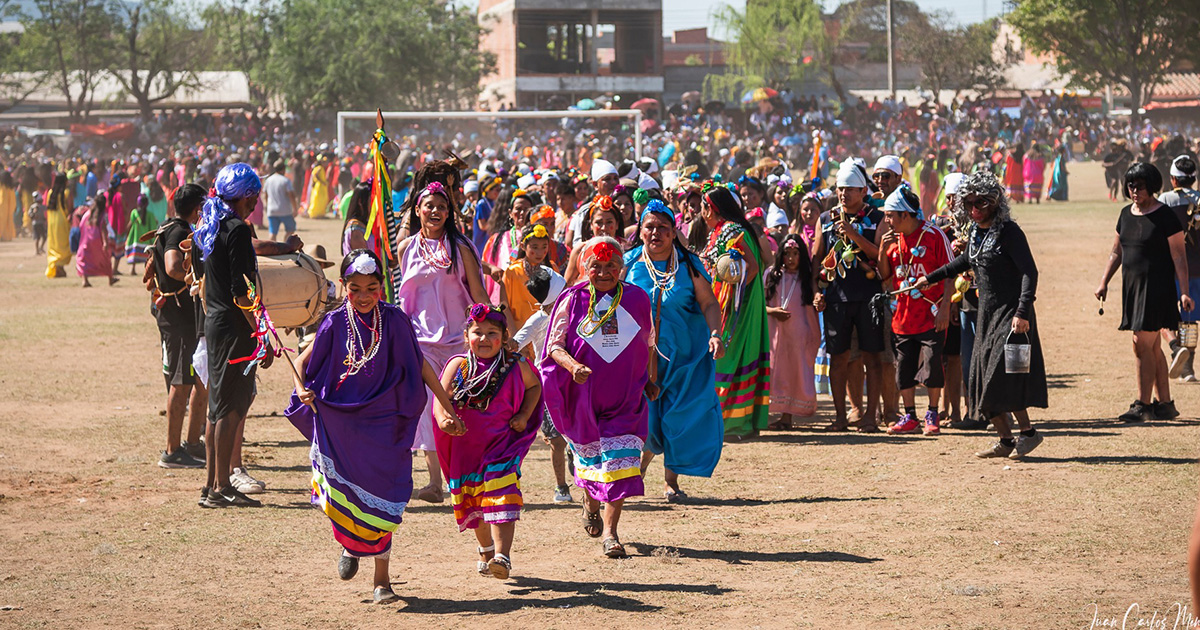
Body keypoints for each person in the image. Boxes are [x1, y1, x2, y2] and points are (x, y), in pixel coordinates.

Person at [288, 249, 462, 605]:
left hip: (388, 427)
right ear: (343, 286)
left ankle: (382, 580)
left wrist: (448, 408)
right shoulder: (334, 322)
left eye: (371, 288)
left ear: (383, 287)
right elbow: (300, 362)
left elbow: (423, 368)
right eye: (355, 289)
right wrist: (302, 388)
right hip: (344, 425)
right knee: (344, 494)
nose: (364, 296)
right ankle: (349, 545)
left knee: (386, 500)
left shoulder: (396, 321)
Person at [916, 171, 1047, 459]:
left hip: (1013, 316)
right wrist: (931, 278)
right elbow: (963, 261)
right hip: (986, 316)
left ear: (995, 203)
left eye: (981, 204)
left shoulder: (1010, 233)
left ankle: (1028, 434)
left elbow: (1029, 272)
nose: (975, 210)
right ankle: (1006, 440)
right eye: (970, 204)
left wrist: (1022, 311)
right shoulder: (976, 232)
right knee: (978, 379)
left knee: (1002, 377)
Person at [540, 236, 654, 558]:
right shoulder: (572, 300)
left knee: (617, 465)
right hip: (584, 401)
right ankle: (590, 504)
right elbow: (554, 346)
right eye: (596, 266)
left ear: (621, 267)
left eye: (611, 266)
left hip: (625, 400)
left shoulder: (636, 299)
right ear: (584, 267)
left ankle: (611, 534)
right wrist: (573, 366)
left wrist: (650, 381)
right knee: (592, 468)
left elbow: (648, 342)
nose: (604, 272)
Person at [395, 181, 491, 504]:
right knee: (426, 411)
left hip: (458, 342)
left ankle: (463, 478)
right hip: (419, 342)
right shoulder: (406, 247)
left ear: (449, 212)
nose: (435, 211)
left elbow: (478, 292)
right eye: (429, 206)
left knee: (461, 407)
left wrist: (492, 328)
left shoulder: (460, 248)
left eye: (442, 207)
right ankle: (435, 482)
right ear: (418, 210)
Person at [433, 303, 542, 580]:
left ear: (505, 336)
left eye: (492, 332)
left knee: (501, 494)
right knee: (474, 504)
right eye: (477, 332)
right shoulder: (458, 365)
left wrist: (525, 413)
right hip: (465, 449)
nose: (483, 339)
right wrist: (445, 419)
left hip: (502, 447)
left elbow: (534, 386)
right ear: (466, 336)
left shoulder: (516, 365)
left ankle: (503, 557)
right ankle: (487, 549)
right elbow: (439, 398)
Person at [625, 200, 725, 500]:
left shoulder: (688, 265)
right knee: (646, 417)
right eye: (650, 227)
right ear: (640, 231)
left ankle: (671, 480)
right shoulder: (627, 264)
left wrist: (715, 334)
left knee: (677, 417)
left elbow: (708, 303)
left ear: (673, 233)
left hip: (686, 357)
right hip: (640, 359)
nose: (656, 233)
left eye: (663, 228)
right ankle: (636, 471)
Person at [195, 163, 271, 508]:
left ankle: (212, 483)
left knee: (218, 408)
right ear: (247, 196)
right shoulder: (238, 229)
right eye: (254, 195)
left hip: (217, 324)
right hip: (235, 328)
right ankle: (222, 486)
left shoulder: (213, 225)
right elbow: (243, 293)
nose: (256, 201)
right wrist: (260, 332)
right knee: (231, 409)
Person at [1096, 162, 1193, 423]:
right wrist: (1104, 281)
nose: (1134, 190)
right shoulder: (1126, 214)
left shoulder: (1165, 216)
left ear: (1152, 186)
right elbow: (1117, 251)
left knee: (1141, 345)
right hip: (1133, 288)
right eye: (1131, 185)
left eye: (1140, 185)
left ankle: (1143, 405)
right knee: (1152, 347)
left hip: (1157, 289)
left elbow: (1179, 256)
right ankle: (1165, 405)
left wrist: (1184, 291)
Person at [812, 164, 886, 432]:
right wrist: (817, 292)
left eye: (850, 189)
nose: (843, 194)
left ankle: (870, 416)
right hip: (836, 299)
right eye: (840, 189)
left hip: (870, 298)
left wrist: (853, 234)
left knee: (872, 358)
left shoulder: (878, 218)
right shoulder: (825, 219)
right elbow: (815, 261)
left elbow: (880, 256)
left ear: (864, 191)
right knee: (838, 358)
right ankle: (841, 416)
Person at [877, 187, 953, 436]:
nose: (887, 220)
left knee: (932, 365)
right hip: (903, 316)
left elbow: (951, 272)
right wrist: (881, 250)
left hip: (932, 314)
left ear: (905, 215)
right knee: (904, 368)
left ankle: (932, 413)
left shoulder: (934, 236)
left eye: (890, 215)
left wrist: (945, 308)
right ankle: (910, 417)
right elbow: (885, 277)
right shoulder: (893, 239)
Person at [699, 184, 771, 440]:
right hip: (729, 301)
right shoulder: (722, 230)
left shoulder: (733, 231)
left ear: (712, 208)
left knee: (728, 356)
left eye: (703, 207)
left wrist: (734, 296)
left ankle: (732, 423)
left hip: (736, 305)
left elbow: (752, 266)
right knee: (731, 356)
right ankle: (734, 421)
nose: (700, 213)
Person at [151, 184, 208, 468]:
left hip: (176, 315)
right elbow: (173, 266)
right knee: (180, 382)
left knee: (191, 380)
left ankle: (191, 445)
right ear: (198, 208)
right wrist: (195, 274)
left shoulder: (166, 226)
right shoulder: (179, 232)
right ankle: (172, 451)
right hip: (180, 317)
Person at [510, 265, 572, 503]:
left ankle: (576, 460)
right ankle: (561, 486)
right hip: (547, 387)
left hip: (574, 383)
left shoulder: (577, 312)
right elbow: (516, 343)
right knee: (555, 439)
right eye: (564, 292)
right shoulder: (538, 320)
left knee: (576, 437)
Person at [763, 233, 820, 428]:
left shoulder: (806, 278)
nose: (791, 258)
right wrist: (772, 311)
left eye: (796, 253)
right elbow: (759, 304)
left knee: (795, 372)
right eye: (787, 253)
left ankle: (787, 417)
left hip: (799, 335)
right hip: (775, 336)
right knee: (774, 371)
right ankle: (767, 415)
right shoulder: (771, 275)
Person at [1162, 156, 1200, 382]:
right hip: (1197, 270)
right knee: (1189, 318)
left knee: (1162, 318)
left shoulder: (1164, 200)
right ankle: (1188, 370)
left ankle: (1176, 349)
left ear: (1173, 179)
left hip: (1170, 270)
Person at [76, 193, 117, 288]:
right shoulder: (102, 215)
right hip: (99, 241)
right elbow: (103, 228)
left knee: (85, 260)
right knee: (105, 259)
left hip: (87, 241)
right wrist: (106, 242)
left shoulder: (88, 214)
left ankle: (85, 280)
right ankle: (110, 279)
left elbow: (81, 225)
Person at [44, 173, 72, 279]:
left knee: (55, 244)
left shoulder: (50, 193)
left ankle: (58, 266)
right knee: (64, 245)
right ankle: (60, 267)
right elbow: (70, 207)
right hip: (63, 221)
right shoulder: (66, 192)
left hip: (52, 222)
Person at [262, 160, 298, 241]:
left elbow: (265, 194)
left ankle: (272, 250)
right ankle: (285, 244)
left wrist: (266, 205)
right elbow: (291, 195)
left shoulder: (268, 180)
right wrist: (295, 208)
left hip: (272, 210)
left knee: (272, 233)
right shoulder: (285, 180)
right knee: (290, 230)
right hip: (285, 210)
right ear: (283, 169)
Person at [124, 194, 156, 275]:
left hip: (136, 238)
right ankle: (146, 270)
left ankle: (132, 269)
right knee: (147, 256)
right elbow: (152, 227)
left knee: (135, 255)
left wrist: (126, 234)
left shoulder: (134, 212)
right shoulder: (150, 215)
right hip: (145, 239)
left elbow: (130, 224)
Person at [340, 180, 374, 256]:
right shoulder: (355, 231)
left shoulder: (365, 224)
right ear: (360, 202)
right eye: (372, 200)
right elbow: (364, 262)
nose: (376, 204)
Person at [473, 176, 501, 253]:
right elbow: (482, 226)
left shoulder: (494, 202)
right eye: (497, 190)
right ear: (488, 190)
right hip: (482, 241)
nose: (499, 192)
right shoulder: (481, 204)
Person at [0, 170, 16, 242]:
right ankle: (6, 236)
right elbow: (12, 200)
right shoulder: (10, 188)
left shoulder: (2, 186)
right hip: (7, 208)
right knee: (7, 222)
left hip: (2, 207)